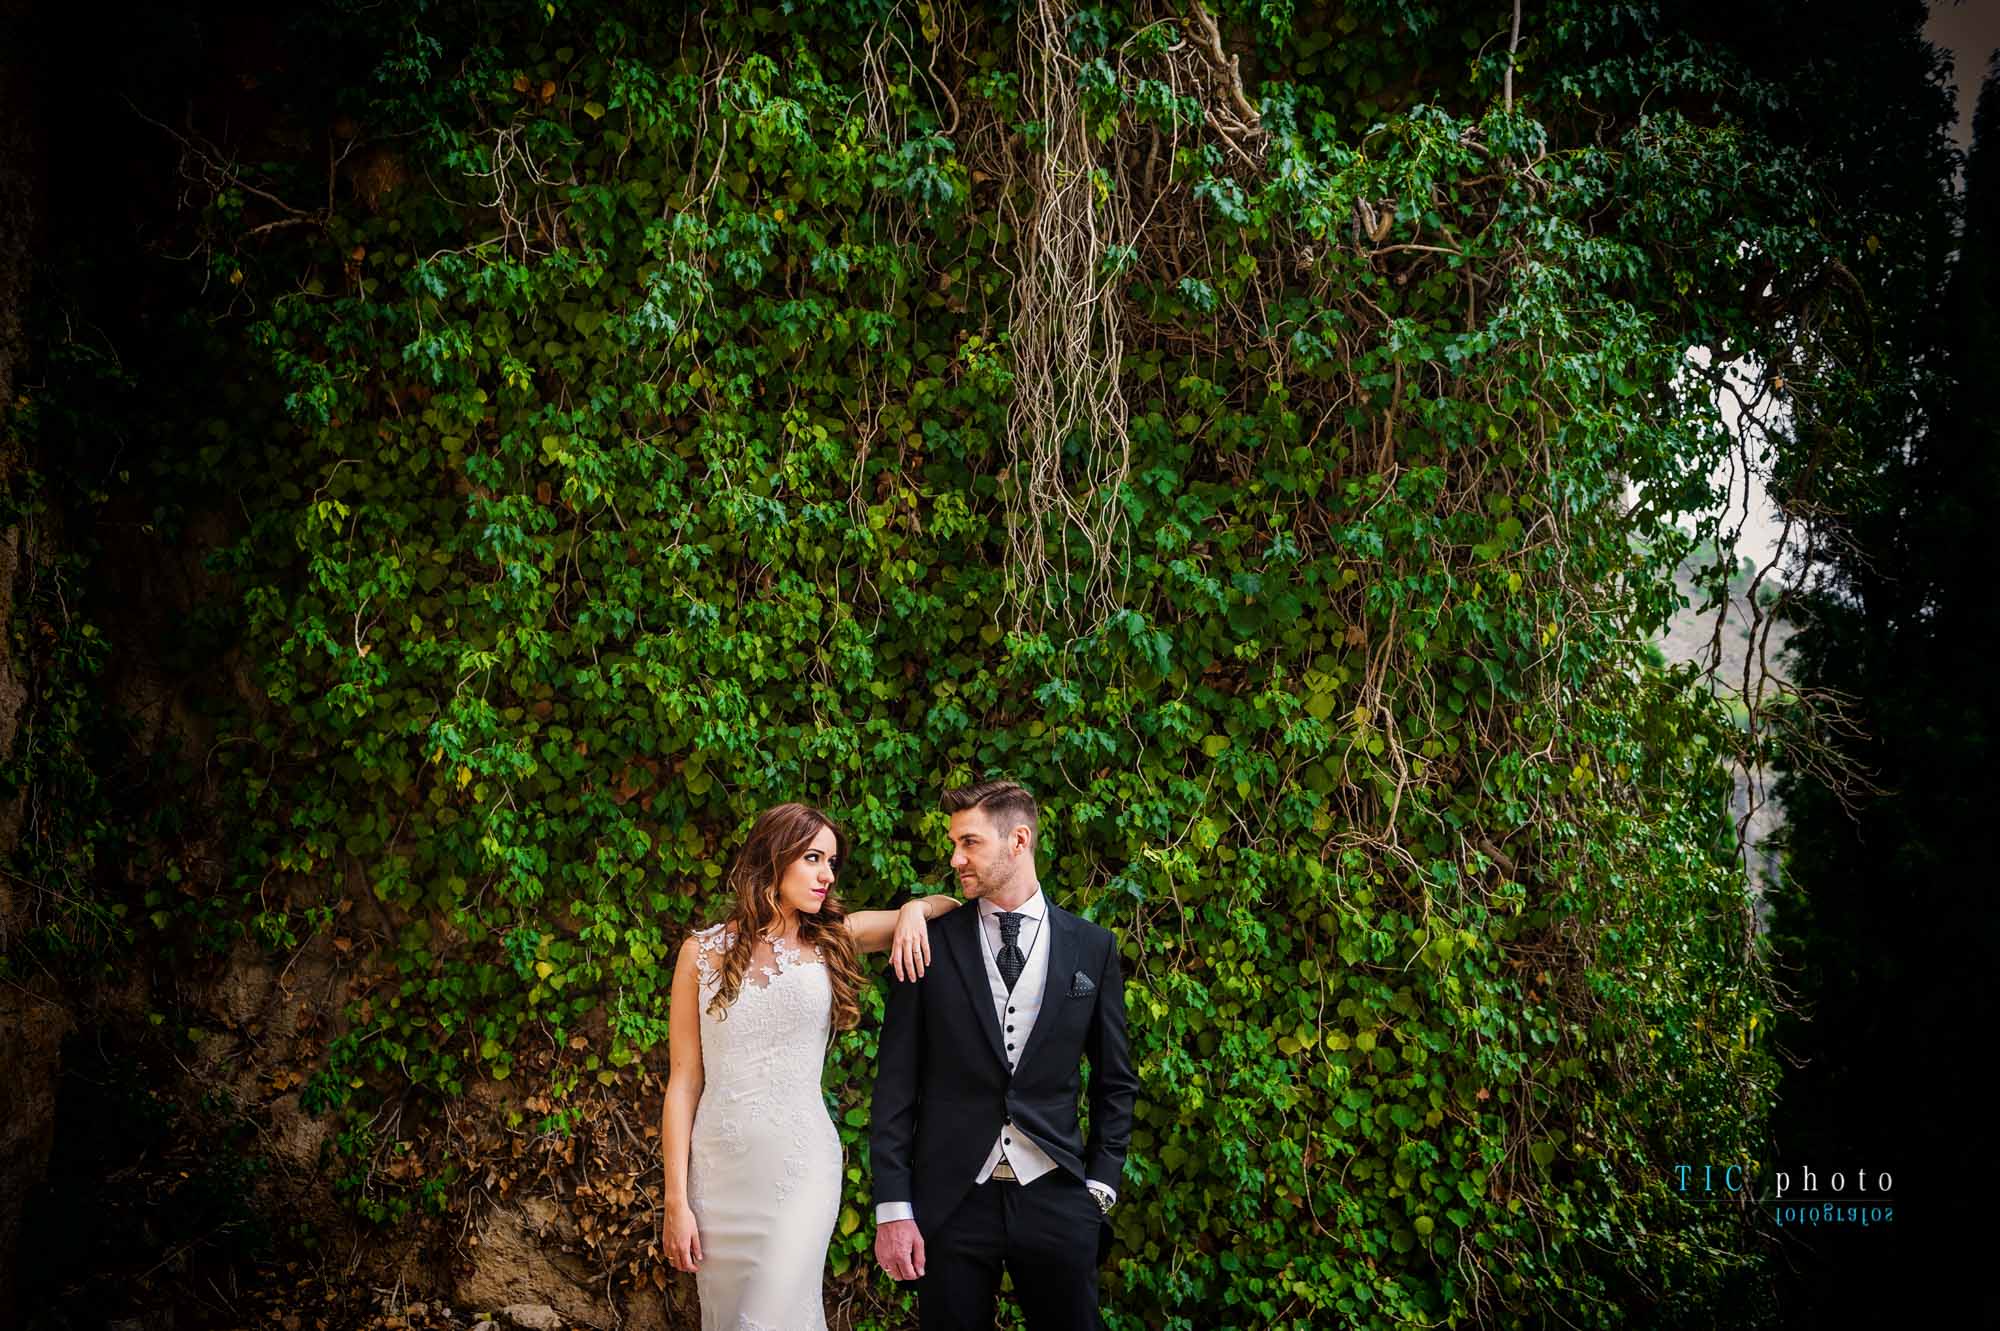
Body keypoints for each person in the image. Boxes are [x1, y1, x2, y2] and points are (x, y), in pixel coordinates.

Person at [659, 801, 961, 1331]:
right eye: (813, 858)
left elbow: (951, 906)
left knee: (767, 1316)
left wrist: (915, 908)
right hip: (718, 1174)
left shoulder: (836, 937)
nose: (827, 875)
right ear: (773, 857)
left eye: (832, 862)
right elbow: (683, 1083)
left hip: (800, 1169)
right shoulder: (700, 953)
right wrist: (676, 1200)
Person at [870, 779, 1138, 1331]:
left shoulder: (1092, 946)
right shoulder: (928, 941)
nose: (955, 859)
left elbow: (1116, 1080)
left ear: (1019, 840)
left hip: (1058, 1194)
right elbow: (895, 1084)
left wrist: (1100, 1187)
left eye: (969, 843)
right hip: (951, 1202)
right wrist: (894, 1208)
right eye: (954, 844)